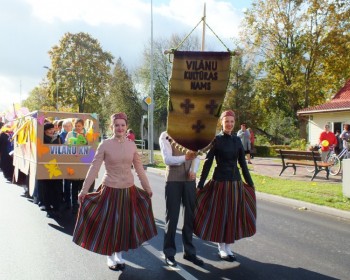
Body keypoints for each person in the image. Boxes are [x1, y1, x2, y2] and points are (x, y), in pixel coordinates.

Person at [73, 112, 157, 271]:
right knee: (110, 224)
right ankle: (110, 255)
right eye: (117, 125)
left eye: (122, 125)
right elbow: (94, 167)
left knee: (124, 224)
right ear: (112, 127)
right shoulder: (104, 144)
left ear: (126, 127)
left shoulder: (132, 145)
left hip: (128, 191)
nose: (120, 128)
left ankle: (119, 253)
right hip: (110, 189)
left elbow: (139, 169)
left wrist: (147, 188)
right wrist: (84, 190)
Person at [195, 110, 256, 262]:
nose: (229, 124)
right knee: (221, 215)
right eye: (226, 121)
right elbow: (208, 163)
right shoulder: (216, 140)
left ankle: (228, 246)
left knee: (232, 215)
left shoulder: (237, 141)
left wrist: (250, 183)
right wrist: (200, 184)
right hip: (220, 183)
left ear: (234, 123)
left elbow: (242, 164)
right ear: (221, 122)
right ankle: (221, 247)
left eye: (231, 121)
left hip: (235, 183)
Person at [159, 131, 204, 267]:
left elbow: (196, 155)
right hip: (173, 180)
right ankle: (169, 253)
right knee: (172, 218)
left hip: (189, 181)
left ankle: (189, 252)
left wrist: (194, 170)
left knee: (189, 217)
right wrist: (185, 157)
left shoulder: (192, 133)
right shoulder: (165, 135)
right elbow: (167, 159)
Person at [39, 122, 62, 218]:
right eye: (49, 129)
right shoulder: (42, 138)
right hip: (46, 166)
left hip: (57, 166)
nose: (51, 131)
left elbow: (62, 149)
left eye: (52, 129)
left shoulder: (58, 138)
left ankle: (56, 207)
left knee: (56, 188)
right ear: (45, 131)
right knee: (47, 189)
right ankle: (48, 209)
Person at [65, 118, 88, 214]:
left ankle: (82, 202)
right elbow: (66, 145)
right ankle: (74, 203)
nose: (77, 128)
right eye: (76, 126)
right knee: (74, 183)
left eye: (79, 126)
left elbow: (90, 146)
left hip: (84, 162)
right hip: (73, 160)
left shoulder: (87, 134)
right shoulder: (70, 134)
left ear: (83, 126)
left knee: (83, 183)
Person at [59, 119, 74, 209]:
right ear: (63, 127)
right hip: (64, 160)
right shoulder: (60, 136)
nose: (68, 127)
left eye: (69, 126)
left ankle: (73, 200)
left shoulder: (75, 134)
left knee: (74, 182)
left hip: (74, 160)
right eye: (66, 126)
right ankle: (66, 200)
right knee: (66, 182)